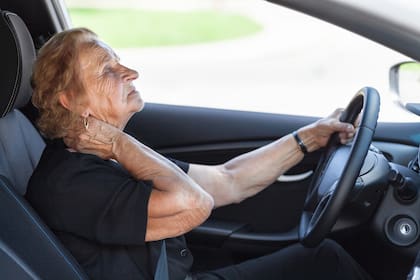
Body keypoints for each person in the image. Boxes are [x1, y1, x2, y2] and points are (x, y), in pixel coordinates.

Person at [25, 27, 372, 280]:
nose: (131, 73)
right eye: (108, 70)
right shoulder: (71, 182)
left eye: (121, 62)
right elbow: (196, 204)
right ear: (70, 101)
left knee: (321, 260)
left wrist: (309, 138)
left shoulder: (105, 157)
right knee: (327, 262)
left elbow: (229, 180)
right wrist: (118, 142)